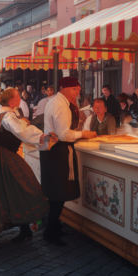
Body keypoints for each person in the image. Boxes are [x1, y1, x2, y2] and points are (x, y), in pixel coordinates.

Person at [0, 88, 55, 243]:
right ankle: (16, 228)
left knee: (3, 191)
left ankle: (12, 229)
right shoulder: (8, 116)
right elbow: (23, 131)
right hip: (3, 155)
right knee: (16, 188)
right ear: (12, 100)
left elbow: (19, 126)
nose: (20, 98)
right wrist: (44, 138)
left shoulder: (2, 111)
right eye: (17, 96)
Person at [40, 77, 97, 246]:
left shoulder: (60, 101)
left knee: (57, 189)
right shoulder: (59, 104)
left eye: (79, 89)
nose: (78, 92)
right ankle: (50, 230)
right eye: (75, 89)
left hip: (52, 149)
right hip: (57, 150)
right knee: (58, 190)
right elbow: (64, 134)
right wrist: (83, 134)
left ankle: (54, 224)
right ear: (64, 88)